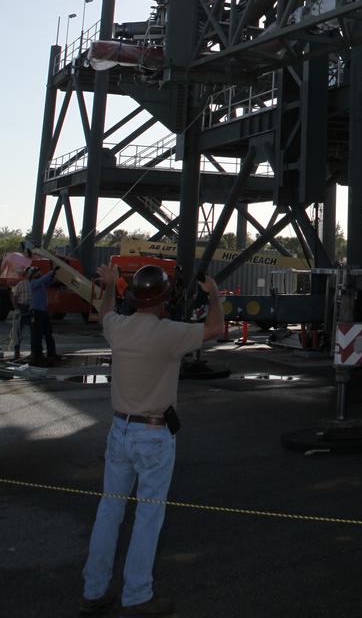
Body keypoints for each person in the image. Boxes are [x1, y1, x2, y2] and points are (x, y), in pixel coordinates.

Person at [81, 264, 225, 618]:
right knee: (148, 516)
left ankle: (94, 590)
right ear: (163, 299)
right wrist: (215, 294)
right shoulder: (166, 334)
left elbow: (105, 314)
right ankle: (137, 595)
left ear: (133, 297)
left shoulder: (119, 328)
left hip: (120, 432)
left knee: (109, 511)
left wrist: (111, 284)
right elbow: (216, 328)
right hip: (153, 435)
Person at [29, 263, 60, 365]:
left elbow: (48, 281)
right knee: (37, 335)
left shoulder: (41, 284)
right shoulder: (33, 283)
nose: (39, 273)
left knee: (48, 334)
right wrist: (51, 271)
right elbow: (43, 279)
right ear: (32, 275)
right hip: (36, 312)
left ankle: (51, 354)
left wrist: (53, 274)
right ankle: (37, 355)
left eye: (39, 271)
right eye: (36, 272)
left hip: (43, 312)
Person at [7, 268, 32, 361]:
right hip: (22, 308)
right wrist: (17, 308)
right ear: (25, 275)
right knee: (17, 332)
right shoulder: (21, 284)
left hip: (31, 309)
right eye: (28, 273)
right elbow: (14, 297)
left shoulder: (35, 284)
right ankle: (16, 353)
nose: (29, 274)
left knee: (34, 330)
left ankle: (35, 352)